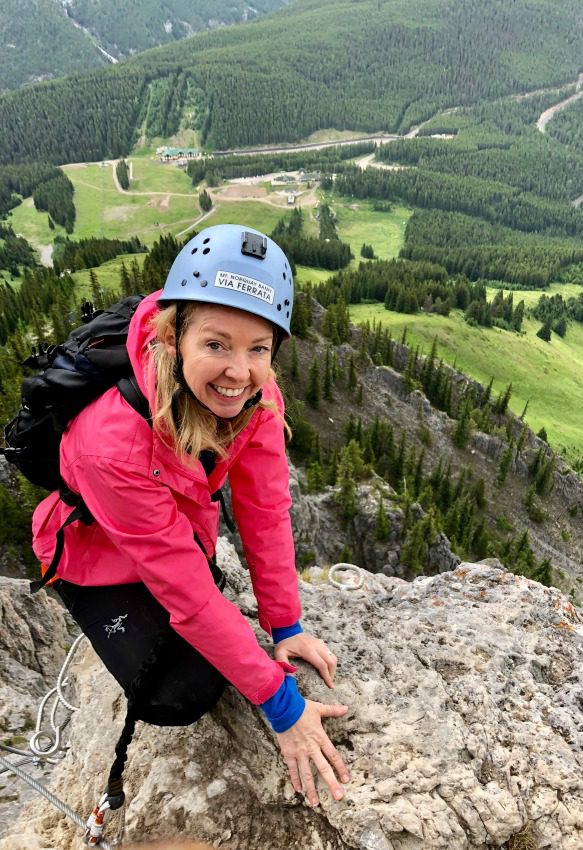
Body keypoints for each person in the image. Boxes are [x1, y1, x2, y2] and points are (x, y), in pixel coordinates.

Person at [31, 224, 349, 808]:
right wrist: (284, 707)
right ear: (173, 336)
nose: (238, 371)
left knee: (217, 630)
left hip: (175, 527)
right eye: (217, 345)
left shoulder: (255, 394)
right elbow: (190, 597)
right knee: (178, 694)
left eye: (258, 348)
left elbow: (265, 509)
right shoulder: (110, 442)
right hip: (98, 555)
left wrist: (286, 625)